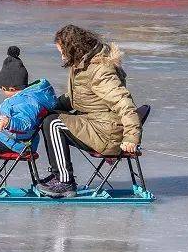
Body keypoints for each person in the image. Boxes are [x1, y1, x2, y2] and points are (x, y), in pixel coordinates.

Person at [38, 25, 140, 198]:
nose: (62, 57)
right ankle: (59, 175)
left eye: (62, 51)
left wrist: (131, 137)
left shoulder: (100, 71)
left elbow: (124, 102)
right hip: (96, 122)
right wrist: (49, 106)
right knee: (49, 117)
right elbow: (79, 97)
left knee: (53, 123)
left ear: (73, 48)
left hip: (107, 132)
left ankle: (64, 182)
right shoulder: (83, 64)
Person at [0, 46, 57, 195]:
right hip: (13, 139)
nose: (2, 92)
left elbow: (26, 124)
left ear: (11, 88)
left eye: (2, 88)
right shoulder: (22, 99)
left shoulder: (27, 103)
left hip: (21, 144)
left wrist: (9, 122)